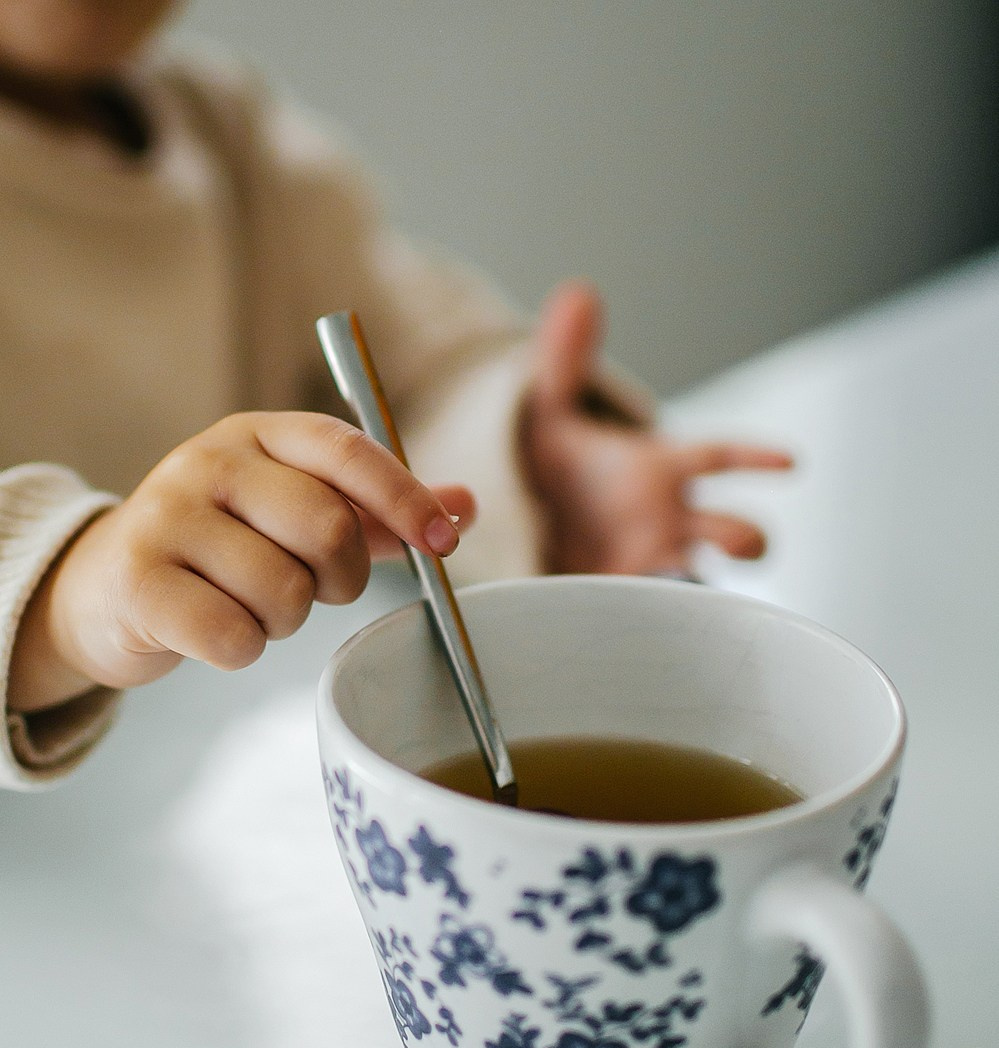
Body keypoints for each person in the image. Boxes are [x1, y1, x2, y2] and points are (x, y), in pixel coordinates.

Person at [0, 0, 792, 790]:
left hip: (191, 788)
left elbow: (408, 366)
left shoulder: (223, 129)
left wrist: (525, 462)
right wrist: (66, 608)